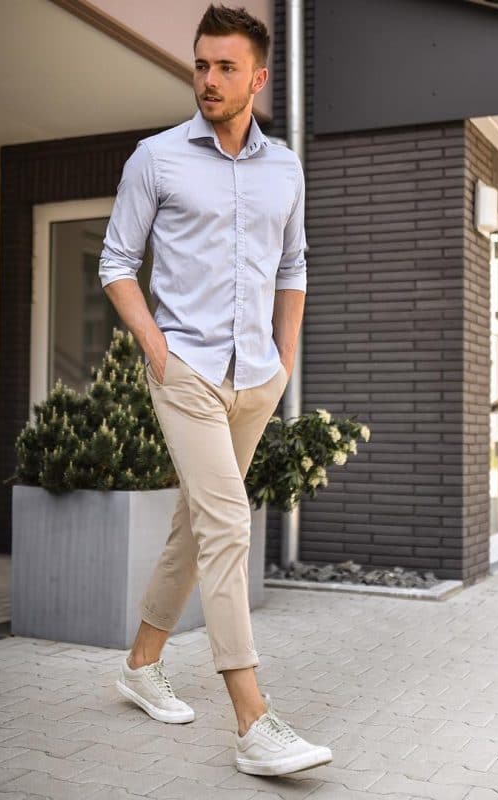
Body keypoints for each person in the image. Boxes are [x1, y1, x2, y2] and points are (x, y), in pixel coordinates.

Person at [98, 2, 332, 778]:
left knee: (195, 528)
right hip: (188, 372)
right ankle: (254, 720)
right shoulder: (156, 159)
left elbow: (294, 266)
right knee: (228, 522)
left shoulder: (284, 167)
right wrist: (158, 351)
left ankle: (140, 664)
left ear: (258, 78)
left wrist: (284, 358)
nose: (207, 78)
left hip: (256, 378)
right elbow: (116, 263)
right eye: (200, 64)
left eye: (225, 67)